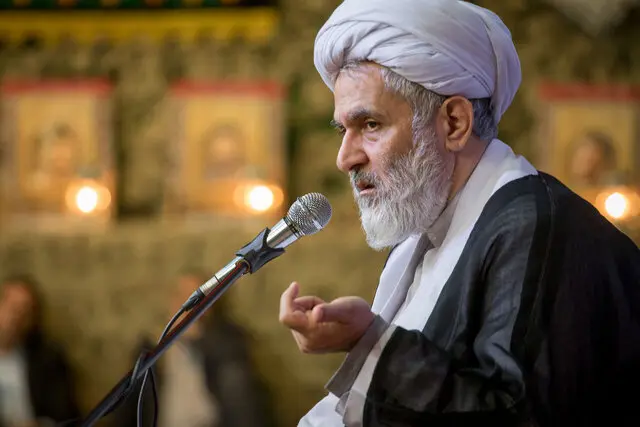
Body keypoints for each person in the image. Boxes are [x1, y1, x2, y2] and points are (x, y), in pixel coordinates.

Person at [277, 1, 640, 426]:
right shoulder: (427, 233)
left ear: (453, 123)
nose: (345, 158)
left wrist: (372, 343)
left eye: (370, 125)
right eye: (344, 130)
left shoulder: (537, 229)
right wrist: (369, 341)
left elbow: (516, 416)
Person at [113, 270, 276, 427]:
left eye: (195, 298)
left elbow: (243, 405)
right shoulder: (151, 346)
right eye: (180, 295)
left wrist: (197, 339)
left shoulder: (226, 342)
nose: (185, 304)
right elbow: (128, 407)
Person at [0, 275, 80, 427]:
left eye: (25, 312)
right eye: (13, 308)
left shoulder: (47, 359)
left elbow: (67, 415)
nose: (16, 318)